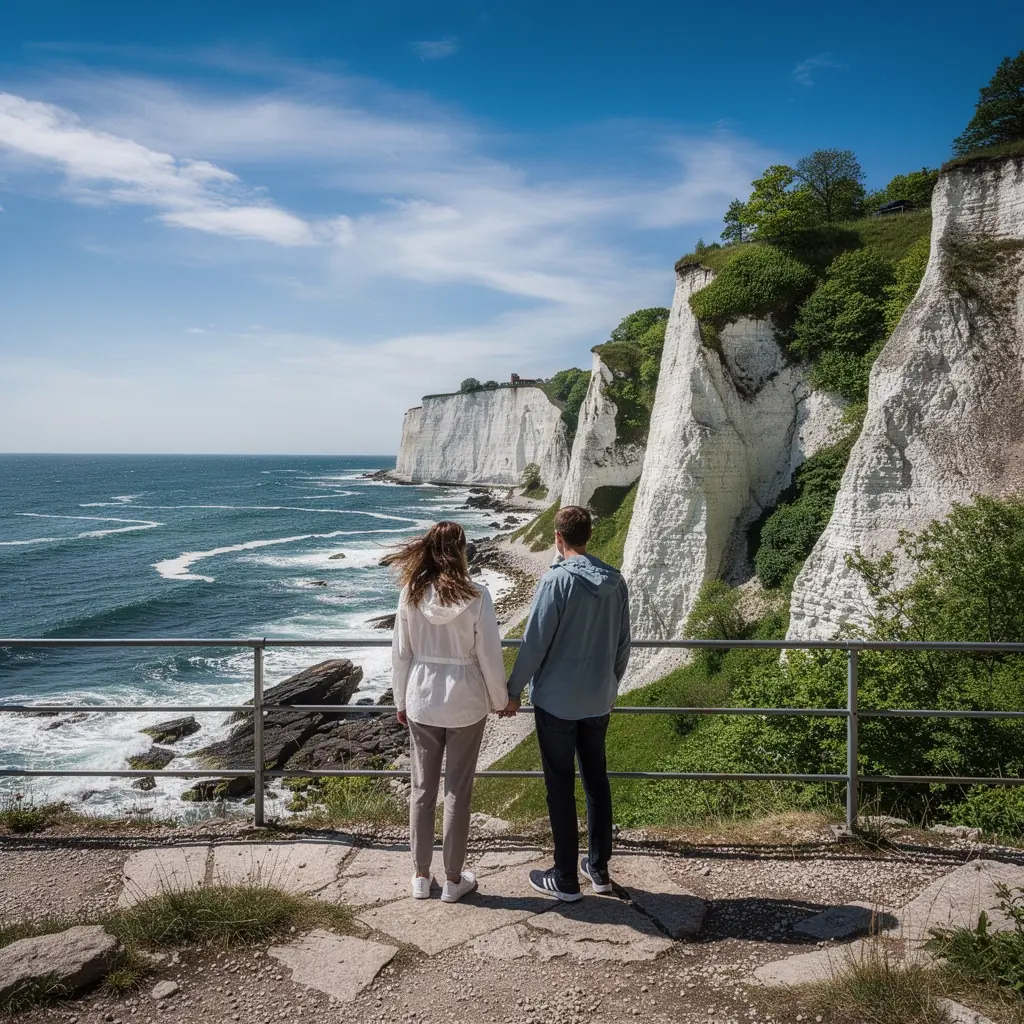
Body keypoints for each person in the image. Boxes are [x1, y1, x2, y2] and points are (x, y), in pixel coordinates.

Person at [501, 505, 631, 901]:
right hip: (597, 698)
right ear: (588, 536)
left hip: (557, 702)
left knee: (560, 787)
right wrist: (611, 686)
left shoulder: (555, 582)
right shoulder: (616, 581)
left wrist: (512, 690)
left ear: (559, 539)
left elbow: (534, 643)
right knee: (596, 782)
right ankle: (598, 868)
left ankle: (565, 878)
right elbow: (623, 645)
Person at [386, 521, 508, 903]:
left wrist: (400, 700)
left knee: (422, 790)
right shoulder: (477, 595)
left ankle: (421, 876)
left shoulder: (411, 593)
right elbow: (488, 653)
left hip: (422, 695)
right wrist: (500, 700)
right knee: (458, 790)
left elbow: (401, 653)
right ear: (460, 550)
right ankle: (454, 879)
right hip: (466, 700)